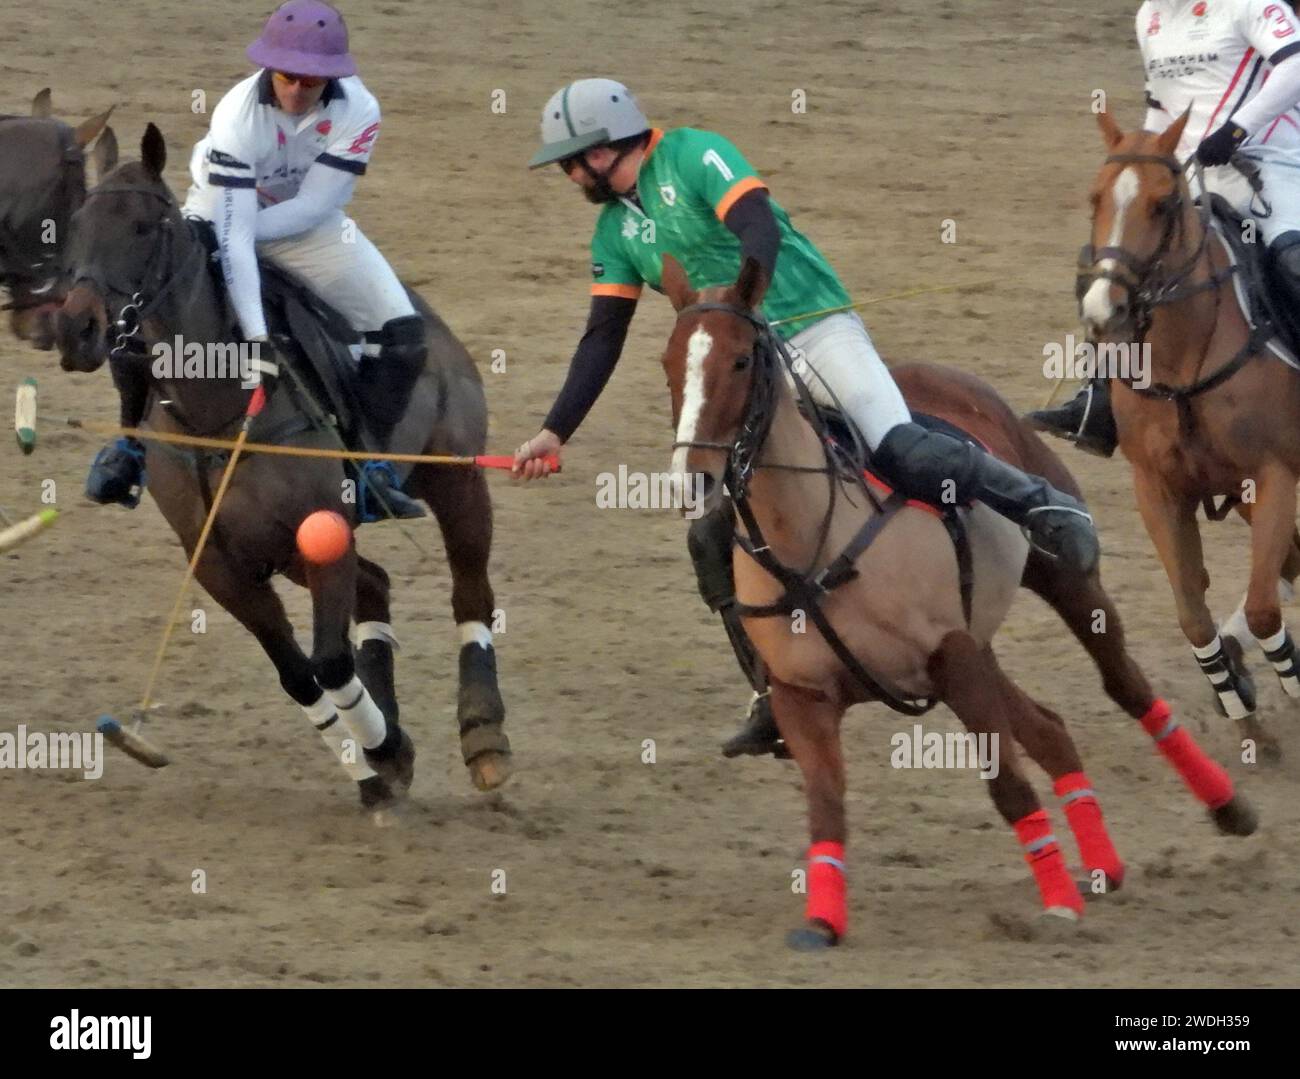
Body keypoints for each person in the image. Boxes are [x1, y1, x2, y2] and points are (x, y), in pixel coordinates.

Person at [513, 79, 1100, 756]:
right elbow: (602, 337)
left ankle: (1041, 505)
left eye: (573, 158)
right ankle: (773, 687)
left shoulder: (695, 154)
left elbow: (756, 222)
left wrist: (745, 299)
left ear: (610, 143)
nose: (568, 173)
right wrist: (556, 429)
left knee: (897, 446)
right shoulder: (615, 230)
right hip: (741, 369)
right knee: (710, 532)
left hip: (814, 327)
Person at [86, 0, 425, 519]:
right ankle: (129, 444)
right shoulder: (235, 114)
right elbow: (235, 229)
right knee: (142, 306)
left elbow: (313, 205)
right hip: (217, 208)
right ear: (270, 67)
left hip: (306, 224)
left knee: (402, 334)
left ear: (330, 79)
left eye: (309, 83)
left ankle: (368, 465)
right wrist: (255, 332)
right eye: (286, 77)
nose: (295, 91)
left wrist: (236, 237)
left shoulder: (360, 110)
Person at [1031, 0, 1300, 455]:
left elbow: (1294, 66)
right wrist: (1150, 159)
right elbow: (1161, 107)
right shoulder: (1149, 16)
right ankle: (1097, 398)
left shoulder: (1253, 4)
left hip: (1268, 166)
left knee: (1291, 260)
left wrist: (1235, 131)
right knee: (1111, 263)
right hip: (1187, 175)